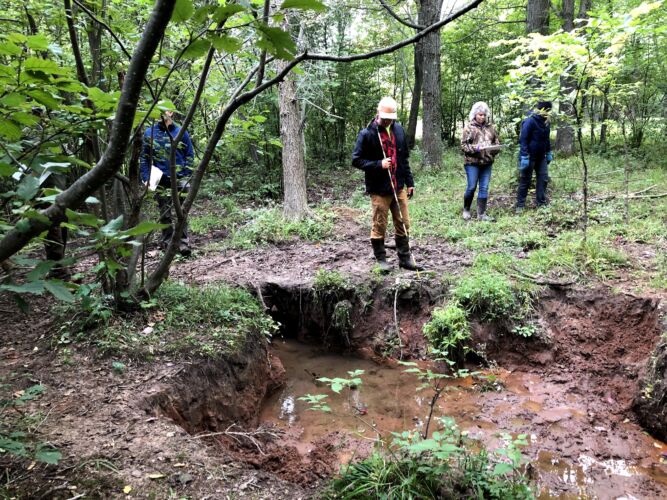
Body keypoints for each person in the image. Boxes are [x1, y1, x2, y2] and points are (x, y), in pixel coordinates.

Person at [352, 96, 421, 272]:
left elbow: (403, 158)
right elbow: (356, 160)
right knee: (380, 224)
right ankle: (381, 259)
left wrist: (410, 182)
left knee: (403, 222)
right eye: (384, 117)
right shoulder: (367, 133)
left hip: (398, 185)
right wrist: (378, 164)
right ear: (378, 113)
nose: (387, 120)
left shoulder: (398, 130)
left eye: (390, 117)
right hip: (379, 189)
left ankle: (405, 259)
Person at [140, 111, 195, 256]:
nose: (166, 114)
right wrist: (146, 178)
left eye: (168, 111)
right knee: (164, 212)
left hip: (180, 178)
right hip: (161, 179)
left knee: (182, 211)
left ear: (172, 113)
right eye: (163, 111)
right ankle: (167, 243)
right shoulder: (150, 132)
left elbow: (190, 154)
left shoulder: (181, 131)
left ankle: (183, 243)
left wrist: (186, 173)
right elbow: (145, 158)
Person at [460, 101, 501, 221]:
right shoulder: (469, 127)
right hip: (472, 163)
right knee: (472, 187)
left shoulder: (491, 127)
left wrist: (493, 149)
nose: (482, 117)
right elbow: (463, 146)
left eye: (483, 115)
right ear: (474, 115)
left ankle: (481, 214)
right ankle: (466, 209)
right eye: (479, 114)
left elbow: (496, 143)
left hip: (487, 162)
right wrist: (475, 148)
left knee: (484, 188)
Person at [516, 101, 553, 211]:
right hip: (529, 156)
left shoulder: (546, 122)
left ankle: (541, 203)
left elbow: (546, 139)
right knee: (525, 180)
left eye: (549, 110)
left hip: (541, 156)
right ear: (541, 109)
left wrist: (549, 151)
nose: (548, 112)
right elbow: (523, 139)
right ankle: (520, 205)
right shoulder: (530, 120)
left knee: (543, 178)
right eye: (547, 110)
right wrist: (524, 156)